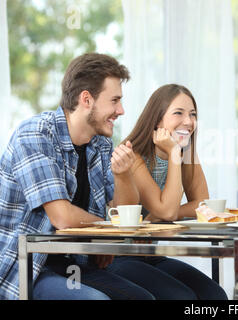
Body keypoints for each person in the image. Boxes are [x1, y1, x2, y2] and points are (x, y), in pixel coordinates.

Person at [0, 53, 155, 300]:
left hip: (75, 264)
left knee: (142, 298)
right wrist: (102, 233)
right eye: (114, 100)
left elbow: (126, 216)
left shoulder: (101, 144)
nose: (121, 110)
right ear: (86, 99)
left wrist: (123, 175)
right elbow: (62, 217)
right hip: (28, 268)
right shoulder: (35, 135)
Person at [106, 84, 228, 300]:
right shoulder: (132, 155)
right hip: (117, 258)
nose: (189, 122)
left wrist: (156, 218)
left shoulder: (186, 151)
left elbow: (203, 206)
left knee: (215, 295)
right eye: (178, 113)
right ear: (157, 120)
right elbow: (167, 211)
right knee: (181, 297)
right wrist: (173, 152)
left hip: (149, 254)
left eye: (193, 114)